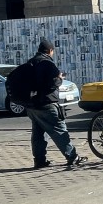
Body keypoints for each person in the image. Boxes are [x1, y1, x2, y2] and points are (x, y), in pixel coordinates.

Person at [25, 38, 87, 169]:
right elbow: (53, 83)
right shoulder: (47, 64)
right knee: (59, 130)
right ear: (50, 50)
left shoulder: (30, 63)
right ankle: (72, 157)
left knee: (38, 133)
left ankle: (39, 160)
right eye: (52, 51)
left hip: (31, 104)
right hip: (46, 103)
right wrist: (60, 78)